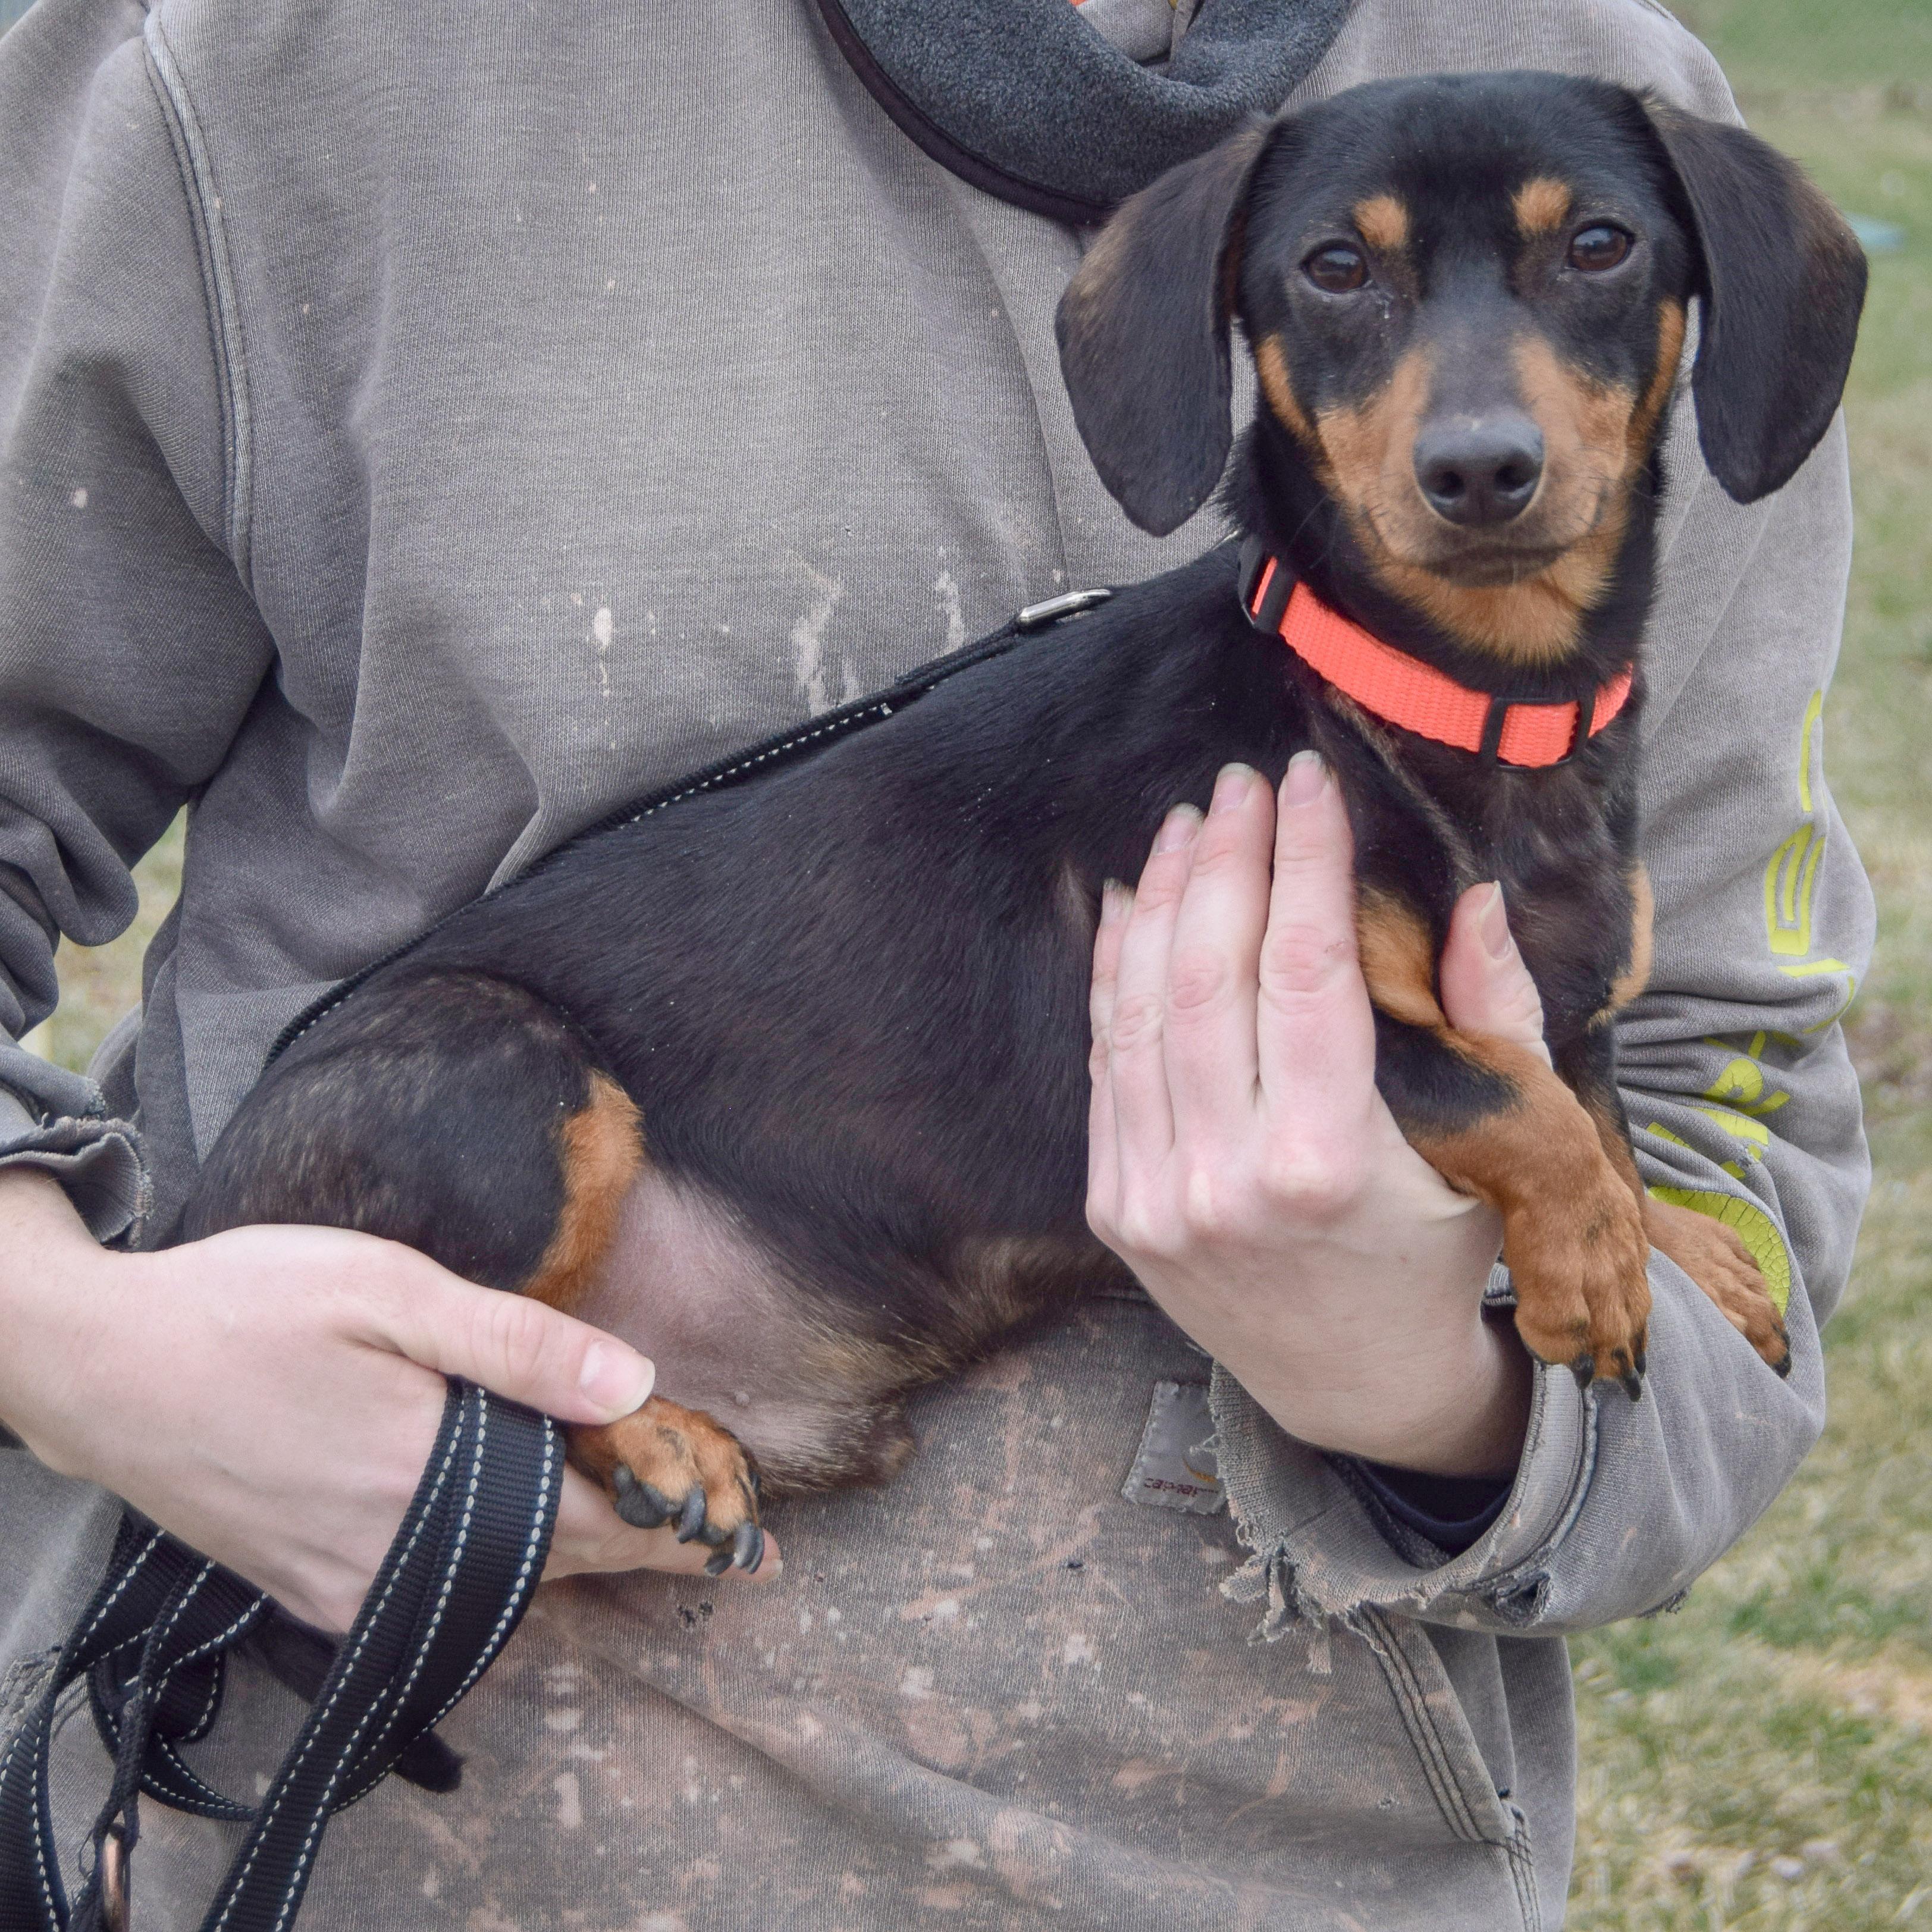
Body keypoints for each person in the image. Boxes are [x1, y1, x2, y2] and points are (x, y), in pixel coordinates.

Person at [0, 0, 1871, 1925]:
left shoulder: (1614, 97)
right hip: (377, 1809)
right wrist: (76, 1346)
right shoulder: (255, 63)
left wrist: (1443, 1387)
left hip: (1281, 1863)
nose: (1484, 427)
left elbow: (1734, 1104)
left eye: (1580, 268)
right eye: (1349, 282)